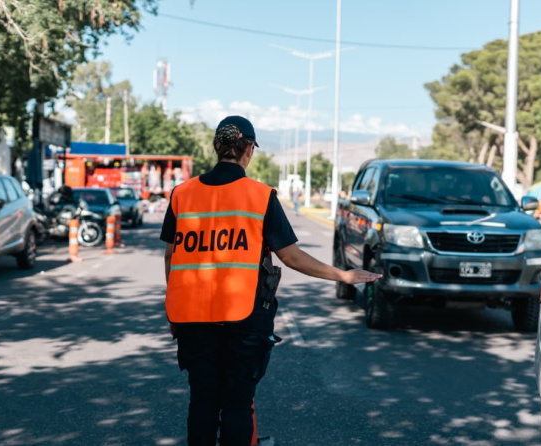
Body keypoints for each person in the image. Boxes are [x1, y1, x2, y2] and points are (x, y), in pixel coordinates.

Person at [160, 116, 380, 446]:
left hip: (191, 317)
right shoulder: (260, 196)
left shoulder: (182, 194)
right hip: (244, 317)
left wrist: (174, 311)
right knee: (236, 402)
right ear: (248, 150)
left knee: (202, 401)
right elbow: (291, 257)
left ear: (216, 148)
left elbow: (170, 257)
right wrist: (343, 275)